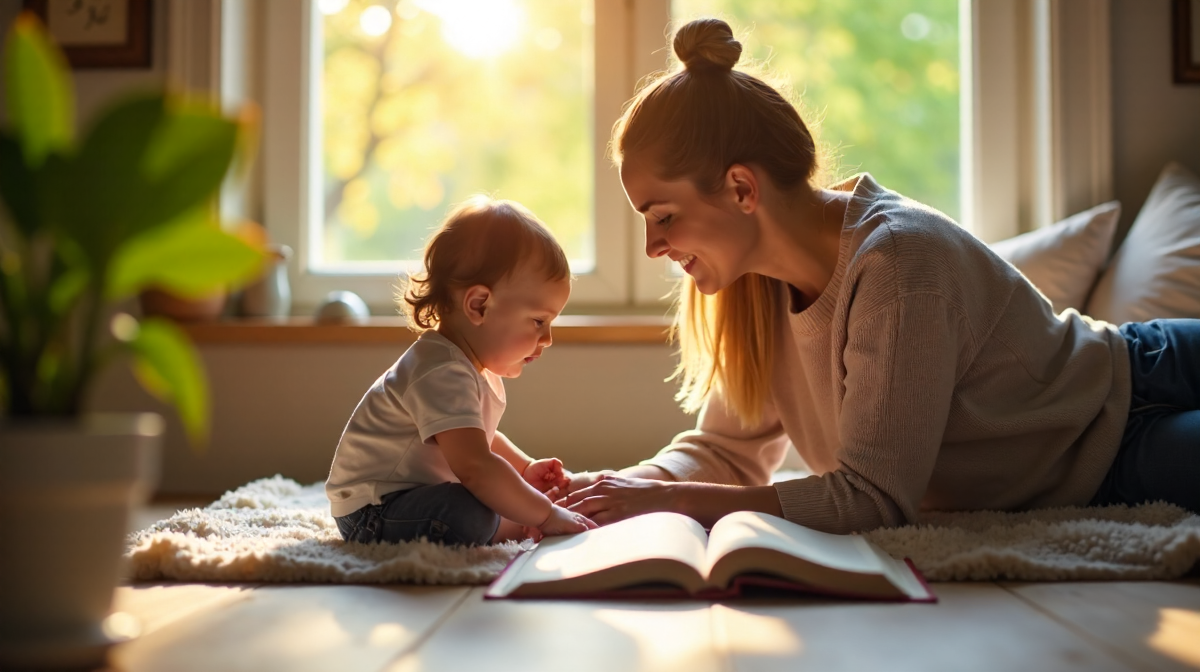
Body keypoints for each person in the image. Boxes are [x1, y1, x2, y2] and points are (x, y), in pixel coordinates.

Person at [558, 18, 1200, 534]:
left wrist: (671, 501)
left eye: (663, 216)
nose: (653, 247)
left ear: (741, 188)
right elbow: (725, 451)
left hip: (1134, 405)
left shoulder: (896, 263)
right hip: (1116, 439)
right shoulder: (752, 284)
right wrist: (612, 488)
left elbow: (872, 499)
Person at [326, 196, 597, 545]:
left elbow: (479, 438)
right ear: (479, 305)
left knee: (491, 493)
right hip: (373, 512)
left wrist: (524, 467)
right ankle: (521, 523)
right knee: (471, 508)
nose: (547, 339)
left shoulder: (468, 367)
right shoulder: (440, 370)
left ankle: (518, 518)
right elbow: (476, 464)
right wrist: (544, 513)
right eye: (538, 321)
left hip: (408, 499)